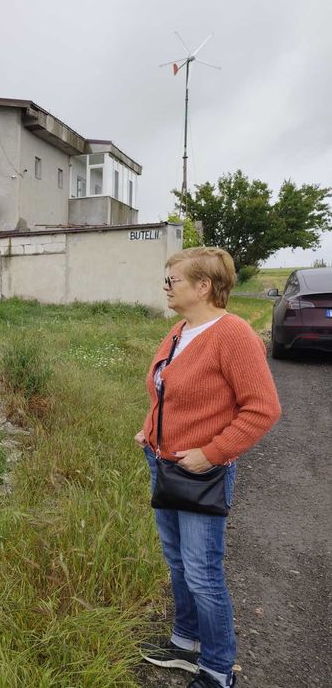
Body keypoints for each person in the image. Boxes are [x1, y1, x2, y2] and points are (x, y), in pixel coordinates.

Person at [136, 247, 281, 688]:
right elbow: (164, 392)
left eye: (172, 279)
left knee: (203, 571)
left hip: (201, 471)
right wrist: (149, 431)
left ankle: (219, 670)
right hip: (163, 463)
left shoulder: (233, 334)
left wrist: (213, 453)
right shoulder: (180, 331)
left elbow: (263, 409)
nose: (166, 286)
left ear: (203, 287)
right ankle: (185, 642)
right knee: (177, 561)